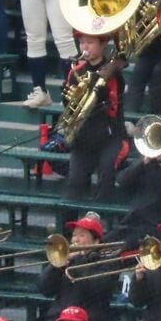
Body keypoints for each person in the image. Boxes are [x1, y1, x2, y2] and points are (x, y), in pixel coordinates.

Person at [61, 33, 128, 203]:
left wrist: (99, 90)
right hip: (83, 137)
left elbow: (113, 108)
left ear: (103, 44)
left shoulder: (112, 72)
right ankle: (69, 228)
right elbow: (68, 108)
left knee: (106, 176)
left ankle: (100, 222)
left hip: (108, 136)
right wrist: (67, 97)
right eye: (82, 42)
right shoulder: (76, 72)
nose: (85, 47)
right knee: (74, 184)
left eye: (90, 42)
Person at [39, 214, 118, 321]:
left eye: (82, 235)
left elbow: (98, 288)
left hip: (91, 318)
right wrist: (56, 266)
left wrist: (81, 259)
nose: (76, 239)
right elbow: (45, 289)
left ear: (96, 241)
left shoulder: (108, 260)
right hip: (60, 316)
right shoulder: (65, 259)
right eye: (74, 235)